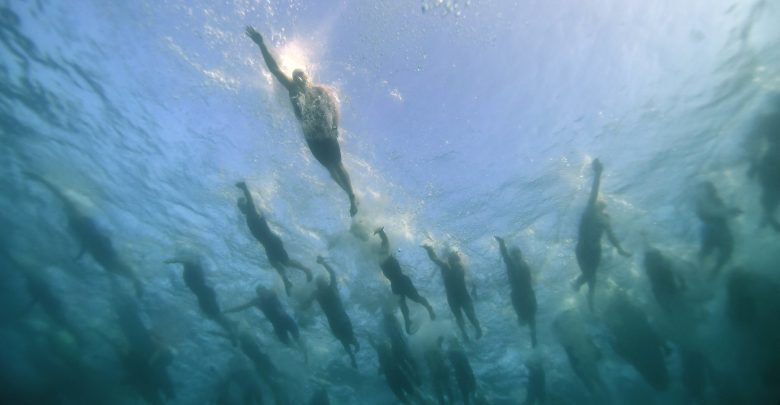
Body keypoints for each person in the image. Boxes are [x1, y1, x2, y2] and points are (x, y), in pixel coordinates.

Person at [245, 26, 358, 217]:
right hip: (312, 138)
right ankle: (349, 194)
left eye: (301, 76)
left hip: (325, 134)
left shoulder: (320, 90)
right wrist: (261, 44)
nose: (298, 78)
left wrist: (335, 126)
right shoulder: (292, 89)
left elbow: (333, 107)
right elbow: (274, 69)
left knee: (338, 166)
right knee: (330, 170)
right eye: (296, 76)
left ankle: (351, 196)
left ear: (307, 77)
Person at [25, 172, 143, 295]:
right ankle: (135, 280)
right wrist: (81, 252)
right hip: (99, 250)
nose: (66, 209)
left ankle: (136, 280)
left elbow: (58, 192)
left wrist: (39, 179)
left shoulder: (76, 215)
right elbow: (86, 239)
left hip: (100, 247)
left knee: (114, 264)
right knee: (111, 265)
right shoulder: (75, 219)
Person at [572, 159, 631, 311]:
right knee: (589, 275)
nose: (603, 201)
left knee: (593, 278)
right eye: (601, 200)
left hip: (596, 251)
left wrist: (620, 249)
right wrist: (598, 173)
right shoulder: (590, 211)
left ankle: (585, 294)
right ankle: (582, 290)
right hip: (583, 249)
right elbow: (593, 192)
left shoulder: (605, 218)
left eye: (604, 201)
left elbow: (611, 236)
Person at [236, 181, 312, 295]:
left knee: (285, 262)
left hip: (272, 242)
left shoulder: (251, 212)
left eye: (242, 205)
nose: (241, 208)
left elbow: (250, 199)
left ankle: (306, 270)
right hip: (268, 245)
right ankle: (287, 282)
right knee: (275, 264)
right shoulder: (249, 216)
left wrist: (244, 187)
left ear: (246, 205)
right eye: (239, 207)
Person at [374, 227, 435, 334]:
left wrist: (382, 232)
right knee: (402, 303)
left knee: (416, 298)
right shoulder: (380, 260)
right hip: (395, 283)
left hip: (402, 280)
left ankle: (429, 308)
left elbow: (385, 241)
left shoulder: (386, 255)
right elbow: (384, 243)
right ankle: (407, 321)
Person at [224, 285, 306, 358]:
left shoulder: (272, 293)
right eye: (260, 293)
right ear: (258, 295)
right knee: (287, 343)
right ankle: (299, 352)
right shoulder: (257, 301)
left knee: (297, 338)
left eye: (264, 292)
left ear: (266, 290)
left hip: (286, 320)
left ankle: (305, 354)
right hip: (277, 325)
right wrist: (228, 310)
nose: (263, 295)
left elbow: (280, 286)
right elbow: (241, 307)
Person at [165, 258, 235, 341]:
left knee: (215, 314)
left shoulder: (190, 267)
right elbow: (188, 261)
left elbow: (187, 260)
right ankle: (230, 328)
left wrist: (173, 260)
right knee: (214, 315)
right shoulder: (193, 268)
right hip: (204, 294)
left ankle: (231, 330)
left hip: (204, 294)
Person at [422, 243, 482, 340]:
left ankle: (477, 329)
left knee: (471, 316)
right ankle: (464, 333)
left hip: (462, 296)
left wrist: (474, 291)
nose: (456, 262)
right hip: (454, 298)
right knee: (459, 318)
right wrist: (429, 250)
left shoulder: (460, 268)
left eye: (457, 260)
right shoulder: (446, 267)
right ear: (451, 260)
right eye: (454, 260)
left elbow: (470, 281)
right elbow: (434, 259)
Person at [313, 256, 360, 368]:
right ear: (323, 283)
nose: (322, 283)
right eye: (322, 282)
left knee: (345, 341)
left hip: (336, 322)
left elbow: (307, 303)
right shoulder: (329, 289)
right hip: (341, 320)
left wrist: (301, 305)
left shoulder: (318, 294)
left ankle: (353, 356)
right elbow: (333, 273)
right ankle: (354, 351)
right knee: (349, 339)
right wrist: (323, 263)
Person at [495, 236, 538, 347]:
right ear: (514, 255)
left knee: (530, 317)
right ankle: (531, 334)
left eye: (517, 254)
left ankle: (533, 336)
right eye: (515, 254)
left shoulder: (522, 264)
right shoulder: (514, 264)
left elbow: (529, 279)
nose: (517, 256)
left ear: (519, 254)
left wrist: (502, 243)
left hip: (523, 294)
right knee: (527, 316)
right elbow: (505, 255)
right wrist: (502, 243)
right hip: (522, 294)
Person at [696, 182, 741, 273]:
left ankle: (710, 274)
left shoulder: (715, 200)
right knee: (707, 253)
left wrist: (730, 212)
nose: (714, 191)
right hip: (715, 231)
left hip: (717, 231)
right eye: (711, 189)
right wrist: (731, 211)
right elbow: (713, 213)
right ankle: (705, 272)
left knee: (724, 253)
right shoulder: (702, 202)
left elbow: (718, 212)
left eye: (713, 189)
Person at [369, 336, 424, 404]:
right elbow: (374, 344)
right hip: (395, 376)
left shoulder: (387, 352)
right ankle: (422, 401)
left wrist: (370, 337)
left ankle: (422, 401)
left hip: (395, 376)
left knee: (407, 394)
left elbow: (374, 344)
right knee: (408, 393)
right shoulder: (387, 351)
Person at [425, 337, 454, 405]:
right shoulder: (435, 348)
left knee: (441, 390)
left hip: (437, 371)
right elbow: (443, 357)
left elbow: (429, 363)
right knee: (445, 388)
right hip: (440, 370)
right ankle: (449, 401)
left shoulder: (428, 351)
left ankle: (446, 401)